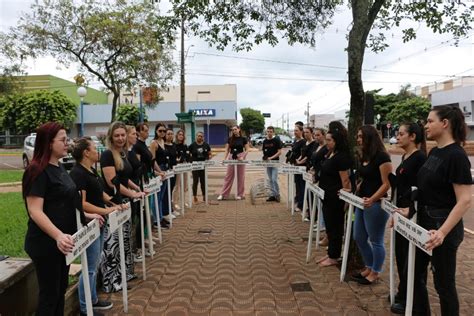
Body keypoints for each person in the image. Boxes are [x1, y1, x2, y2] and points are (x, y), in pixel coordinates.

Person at [396, 106, 471, 315]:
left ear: (444, 123)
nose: (425, 126)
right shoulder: (436, 151)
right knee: (413, 274)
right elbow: (424, 189)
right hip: (424, 222)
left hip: (441, 227)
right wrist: (408, 211)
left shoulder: (456, 156)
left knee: (444, 285)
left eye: (430, 121)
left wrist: (443, 232)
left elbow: (464, 200)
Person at [22, 122, 80, 315]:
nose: (67, 143)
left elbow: (66, 201)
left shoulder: (60, 167)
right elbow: (35, 211)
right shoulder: (37, 170)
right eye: (63, 140)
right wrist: (58, 236)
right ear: (48, 143)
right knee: (49, 296)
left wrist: (89, 215)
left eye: (67, 139)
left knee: (59, 292)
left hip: (64, 244)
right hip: (46, 244)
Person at [70, 137, 120, 315]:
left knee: (94, 265)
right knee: (89, 267)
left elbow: (100, 194)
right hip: (89, 225)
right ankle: (86, 307)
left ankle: (93, 300)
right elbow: (82, 203)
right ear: (86, 153)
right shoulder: (78, 174)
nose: (97, 151)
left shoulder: (90, 171)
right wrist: (105, 211)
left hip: (98, 223)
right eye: (94, 148)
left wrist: (113, 204)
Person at [100, 121, 144, 292]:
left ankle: (125, 275)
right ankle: (112, 281)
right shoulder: (107, 155)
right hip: (114, 204)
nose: (120, 138)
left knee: (125, 240)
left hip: (124, 203)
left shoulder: (123, 153)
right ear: (111, 137)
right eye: (116, 135)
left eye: (122, 135)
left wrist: (136, 188)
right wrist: (132, 194)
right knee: (114, 244)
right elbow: (113, 183)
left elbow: (125, 179)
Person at [389, 123, 427, 314]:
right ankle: (403, 292)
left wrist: (409, 209)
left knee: (409, 259)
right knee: (400, 255)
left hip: (412, 215)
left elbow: (421, 189)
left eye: (401, 134)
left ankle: (408, 297)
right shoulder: (405, 156)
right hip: (401, 212)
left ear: (412, 137)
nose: (398, 136)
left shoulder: (420, 158)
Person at [352, 125, 392, 285]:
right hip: (362, 202)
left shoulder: (382, 157)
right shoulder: (365, 156)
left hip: (375, 204)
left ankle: (375, 271)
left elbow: (387, 183)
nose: (358, 139)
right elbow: (366, 176)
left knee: (376, 240)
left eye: (361, 136)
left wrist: (373, 198)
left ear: (370, 137)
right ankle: (369, 266)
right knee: (359, 237)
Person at [316, 127, 352, 267]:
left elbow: (345, 181)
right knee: (329, 227)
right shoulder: (330, 153)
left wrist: (346, 200)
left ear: (337, 141)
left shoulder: (341, 157)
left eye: (329, 140)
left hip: (335, 198)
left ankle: (334, 256)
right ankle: (331, 253)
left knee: (336, 227)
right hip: (326, 195)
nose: (327, 142)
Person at [126, 125, 145, 262]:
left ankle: (135, 248)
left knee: (141, 217)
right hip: (129, 192)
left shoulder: (131, 151)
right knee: (132, 222)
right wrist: (133, 190)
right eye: (133, 134)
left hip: (136, 188)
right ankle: (132, 251)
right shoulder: (124, 154)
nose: (136, 137)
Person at [217, 125, 250, 200]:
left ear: (239, 129)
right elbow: (227, 150)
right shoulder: (230, 139)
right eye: (233, 130)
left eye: (235, 129)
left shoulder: (243, 139)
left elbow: (247, 149)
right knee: (228, 176)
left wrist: (243, 156)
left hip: (241, 157)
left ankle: (240, 194)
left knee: (241, 177)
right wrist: (224, 159)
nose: (234, 131)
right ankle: (223, 194)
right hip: (231, 156)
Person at [149, 123, 170, 229]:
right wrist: (159, 171)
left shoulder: (163, 142)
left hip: (165, 169)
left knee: (162, 196)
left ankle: (160, 217)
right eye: (160, 131)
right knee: (156, 197)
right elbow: (152, 160)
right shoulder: (154, 143)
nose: (162, 133)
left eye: (164, 131)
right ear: (156, 131)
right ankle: (156, 220)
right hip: (159, 169)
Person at [189, 131, 212, 202]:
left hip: (203, 165)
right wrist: (191, 161)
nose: (200, 137)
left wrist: (208, 158)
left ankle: (204, 196)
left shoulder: (206, 145)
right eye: (198, 136)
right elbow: (188, 154)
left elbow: (210, 153)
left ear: (203, 137)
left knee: (203, 181)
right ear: (196, 136)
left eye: (201, 136)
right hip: (195, 166)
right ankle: (195, 196)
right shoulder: (192, 145)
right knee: (195, 181)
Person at [262, 126, 282, 202]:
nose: (269, 133)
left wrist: (271, 158)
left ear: (273, 132)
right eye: (268, 131)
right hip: (268, 163)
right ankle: (272, 195)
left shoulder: (276, 140)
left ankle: (277, 195)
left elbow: (279, 152)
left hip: (275, 163)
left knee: (274, 179)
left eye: (271, 131)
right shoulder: (264, 141)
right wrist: (265, 158)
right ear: (266, 132)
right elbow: (264, 152)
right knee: (270, 180)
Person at [290, 124, 306, 212]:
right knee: (297, 185)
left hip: (301, 167)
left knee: (301, 185)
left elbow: (302, 154)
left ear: (301, 131)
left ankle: (301, 204)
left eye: (296, 130)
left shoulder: (303, 142)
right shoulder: (295, 141)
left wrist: (298, 161)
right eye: (294, 130)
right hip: (295, 166)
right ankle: (298, 201)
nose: (295, 132)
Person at [172, 129, 188, 211]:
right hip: (178, 166)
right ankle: (175, 202)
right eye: (179, 134)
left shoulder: (185, 146)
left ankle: (183, 201)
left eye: (182, 135)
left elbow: (187, 155)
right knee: (177, 185)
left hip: (184, 166)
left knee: (185, 185)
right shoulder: (174, 145)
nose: (181, 136)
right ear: (177, 136)